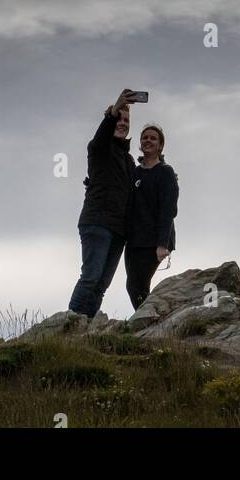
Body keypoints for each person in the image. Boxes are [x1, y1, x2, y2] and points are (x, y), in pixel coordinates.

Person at [68, 89, 136, 319]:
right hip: (97, 223)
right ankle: (67, 328)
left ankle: (85, 327)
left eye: (126, 121)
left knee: (101, 285)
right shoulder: (99, 148)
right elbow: (102, 134)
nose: (122, 123)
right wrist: (114, 111)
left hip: (118, 231)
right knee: (90, 277)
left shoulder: (128, 160)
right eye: (118, 118)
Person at [125, 122, 179, 311]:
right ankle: (152, 324)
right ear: (140, 143)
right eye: (145, 137)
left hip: (154, 241)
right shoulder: (135, 172)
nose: (148, 140)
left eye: (153, 138)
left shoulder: (165, 172)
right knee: (135, 287)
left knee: (135, 286)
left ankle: (150, 325)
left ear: (160, 146)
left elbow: (168, 210)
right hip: (134, 240)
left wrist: (162, 244)